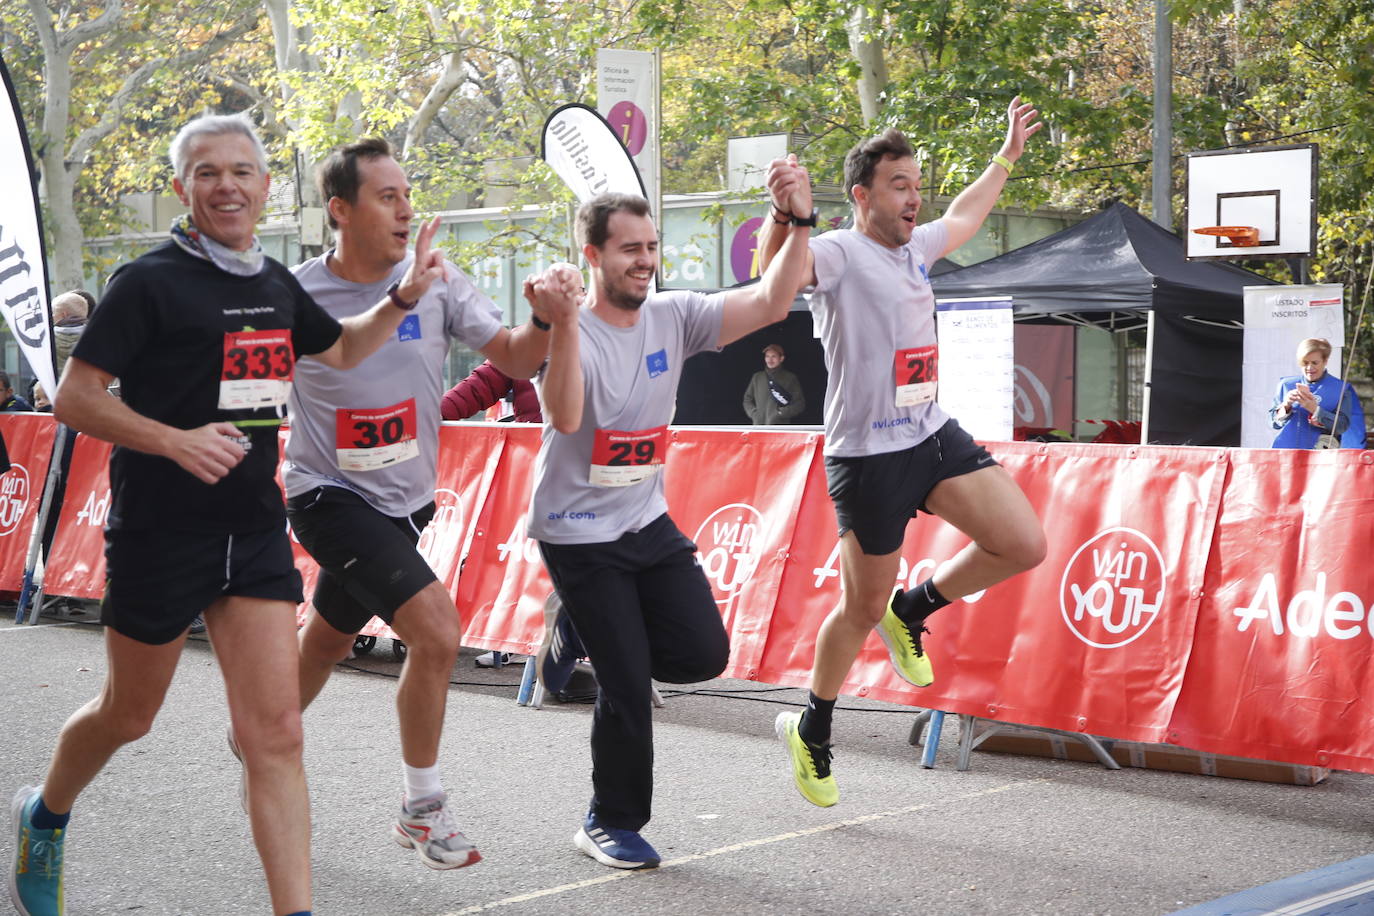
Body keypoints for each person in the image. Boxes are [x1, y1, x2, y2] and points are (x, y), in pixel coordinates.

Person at [10, 113, 444, 916]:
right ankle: (45, 812)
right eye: (208, 172)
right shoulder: (147, 282)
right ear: (182, 188)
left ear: (265, 185)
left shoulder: (274, 283)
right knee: (129, 714)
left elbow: (341, 348)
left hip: (251, 532)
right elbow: (72, 396)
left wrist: (402, 297)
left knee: (275, 733)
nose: (227, 186)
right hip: (160, 533)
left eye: (242, 171)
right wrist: (172, 440)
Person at [755, 99, 1048, 808]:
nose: (915, 198)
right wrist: (785, 213)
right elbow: (771, 274)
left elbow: (971, 214)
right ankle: (813, 727)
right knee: (857, 609)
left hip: (929, 434)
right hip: (867, 457)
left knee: (1023, 542)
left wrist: (1006, 154)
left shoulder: (917, 248)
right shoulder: (836, 252)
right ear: (861, 196)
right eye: (899, 186)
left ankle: (913, 609)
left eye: (918, 185)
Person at [279, 137, 552, 871]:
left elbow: (517, 357)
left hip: (405, 502)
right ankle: (421, 809)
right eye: (387, 196)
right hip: (326, 494)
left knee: (332, 637)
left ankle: (265, 731)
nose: (406, 209)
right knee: (436, 633)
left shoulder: (438, 279)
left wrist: (549, 317)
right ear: (341, 210)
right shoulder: (300, 293)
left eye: (408, 193)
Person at [526, 185, 812, 870]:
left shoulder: (676, 316)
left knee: (703, 655)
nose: (645, 260)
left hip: (646, 522)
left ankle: (573, 626)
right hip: (577, 532)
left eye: (651, 247)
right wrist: (562, 324)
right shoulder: (570, 329)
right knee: (626, 683)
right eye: (629, 249)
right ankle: (609, 820)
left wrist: (796, 218)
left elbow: (774, 300)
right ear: (592, 254)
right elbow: (566, 418)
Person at [1270, 337, 1367, 449]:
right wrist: (1285, 406)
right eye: (1305, 363)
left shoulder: (1342, 389)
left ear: (1325, 361)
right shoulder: (1286, 385)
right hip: (1286, 452)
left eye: (1315, 363)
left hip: (1321, 456)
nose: (1309, 368)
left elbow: (1342, 426)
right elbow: (1273, 423)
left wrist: (1316, 410)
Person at [441, 359, 542, 423]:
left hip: (536, 443)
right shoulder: (526, 340)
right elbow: (482, 384)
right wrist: (439, 411)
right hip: (531, 447)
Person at [742, 342, 805, 425]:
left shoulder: (790, 378)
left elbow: (799, 404)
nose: (770, 360)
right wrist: (754, 413)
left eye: (773, 356)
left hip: (780, 429)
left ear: (781, 358)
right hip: (758, 427)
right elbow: (747, 400)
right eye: (767, 356)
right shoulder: (757, 377)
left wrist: (781, 413)